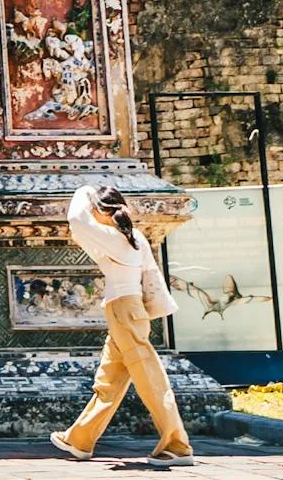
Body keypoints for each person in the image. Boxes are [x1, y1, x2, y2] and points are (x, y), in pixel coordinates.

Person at [53, 183, 193, 464]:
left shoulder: (111, 236)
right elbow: (150, 277)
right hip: (130, 311)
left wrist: (84, 188)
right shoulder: (133, 237)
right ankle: (79, 439)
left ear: (103, 212)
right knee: (109, 381)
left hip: (124, 311)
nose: (91, 214)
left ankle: (177, 445)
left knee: (149, 377)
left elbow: (75, 219)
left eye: (95, 209)